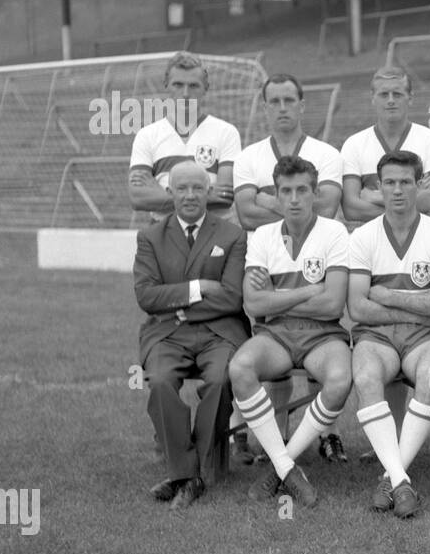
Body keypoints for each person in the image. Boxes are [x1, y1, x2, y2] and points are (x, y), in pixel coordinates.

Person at [232, 72, 346, 463]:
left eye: (288, 100)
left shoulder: (327, 152)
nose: (282, 108)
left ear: (302, 104)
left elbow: (327, 208)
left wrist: (275, 299)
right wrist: (304, 293)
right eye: (274, 101)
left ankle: (323, 436)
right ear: (264, 107)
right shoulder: (249, 156)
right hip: (273, 268)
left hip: (309, 296)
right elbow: (243, 212)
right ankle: (275, 442)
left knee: (325, 364)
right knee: (264, 356)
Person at [229, 155, 353, 508]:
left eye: (302, 190)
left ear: (315, 193)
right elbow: (253, 304)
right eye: (286, 191)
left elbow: (332, 305)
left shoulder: (335, 232)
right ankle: (287, 468)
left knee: (341, 380)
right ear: (277, 195)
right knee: (240, 368)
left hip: (323, 334)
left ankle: (281, 467)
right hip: (276, 335)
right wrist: (307, 291)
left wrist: (276, 296)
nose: (294, 198)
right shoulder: (263, 236)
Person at [133, 162, 249, 508]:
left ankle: (184, 473)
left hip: (220, 331)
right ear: (169, 193)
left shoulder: (232, 235)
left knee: (219, 380)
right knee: (161, 381)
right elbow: (146, 296)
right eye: (181, 188)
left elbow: (233, 297)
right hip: (167, 334)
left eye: (198, 188)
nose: (190, 195)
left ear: (209, 193)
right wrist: (199, 287)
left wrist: (182, 305)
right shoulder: (151, 237)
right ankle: (190, 473)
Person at [348, 150, 430, 519]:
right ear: (378, 186)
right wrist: (413, 303)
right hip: (375, 337)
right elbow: (357, 308)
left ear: (419, 184)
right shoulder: (362, 237)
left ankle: (390, 477)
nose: (397, 190)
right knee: (365, 376)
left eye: (405, 182)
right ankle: (399, 479)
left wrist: (387, 295)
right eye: (389, 182)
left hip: (426, 336)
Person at [128, 51, 240, 224]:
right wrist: (204, 196)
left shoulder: (226, 132)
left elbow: (224, 197)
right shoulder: (147, 135)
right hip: (163, 234)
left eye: (193, 86)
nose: (185, 93)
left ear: (206, 88)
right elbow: (137, 198)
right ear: (166, 85)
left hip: (213, 233)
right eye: (178, 85)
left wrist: (160, 193)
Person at [341, 65, 430, 225]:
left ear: (410, 97)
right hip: (373, 242)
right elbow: (351, 208)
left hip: (424, 239)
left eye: (397, 94)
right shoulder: (354, 144)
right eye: (384, 94)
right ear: (373, 98)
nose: (391, 100)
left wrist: (374, 196)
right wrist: (415, 195)